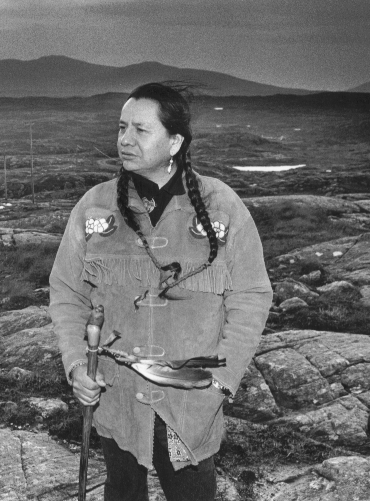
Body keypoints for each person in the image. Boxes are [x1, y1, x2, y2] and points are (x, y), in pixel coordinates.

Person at [50, 83, 272, 500]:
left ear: (175, 141)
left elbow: (252, 296)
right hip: (117, 400)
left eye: (140, 129)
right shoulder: (95, 207)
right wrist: (77, 364)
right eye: (121, 127)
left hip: (190, 407)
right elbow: (66, 292)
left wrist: (222, 383)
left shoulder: (221, 206)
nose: (124, 140)